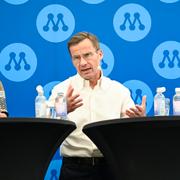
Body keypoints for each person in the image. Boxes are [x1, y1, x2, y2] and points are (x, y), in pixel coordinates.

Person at [49, 32, 146, 180]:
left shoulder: (119, 91)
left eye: (87, 55)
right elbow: (44, 131)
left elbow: (130, 134)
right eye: (76, 57)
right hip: (73, 170)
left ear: (100, 54)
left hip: (112, 168)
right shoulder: (61, 91)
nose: (82, 63)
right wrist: (61, 111)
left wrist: (139, 121)